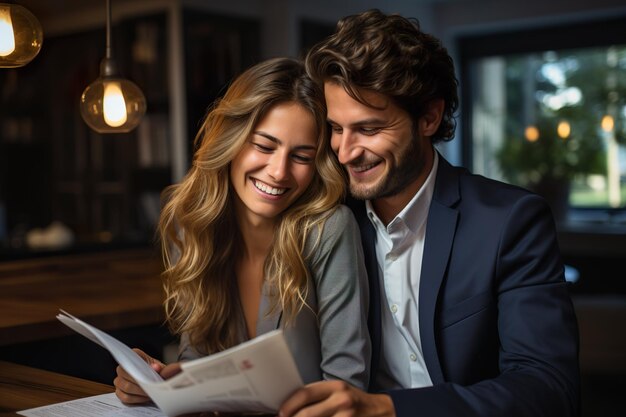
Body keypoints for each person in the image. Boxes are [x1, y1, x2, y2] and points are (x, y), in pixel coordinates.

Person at [279, 9, 580, 417]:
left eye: (368, 129)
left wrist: (389, 409)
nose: (345, 152)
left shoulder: (512, 222)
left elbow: (547, 387)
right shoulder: (326, 219)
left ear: (429, 117)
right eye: (336, 128)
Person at [113, 57, 371, 405]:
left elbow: (347, 386)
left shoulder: (329, 229)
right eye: (264, 146)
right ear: (230, 141)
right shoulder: (191, 224)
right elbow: (199, 360)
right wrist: (162, 383)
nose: (279, 172)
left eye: (301, 156)